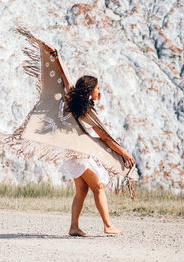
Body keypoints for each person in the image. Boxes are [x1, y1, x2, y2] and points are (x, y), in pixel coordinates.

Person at [41, 42, 136, 237]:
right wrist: (125, 153)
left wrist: (56, 57)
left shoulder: (72, 101)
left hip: (73, 154)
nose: (99, 92)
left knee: (82, 190)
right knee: (98, 186)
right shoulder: (86, 111)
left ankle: (74, 227)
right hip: (80, 155)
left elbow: (66, 79)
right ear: (89, 91)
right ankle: (108, 225)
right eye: (97, 89)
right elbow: (106, 138)